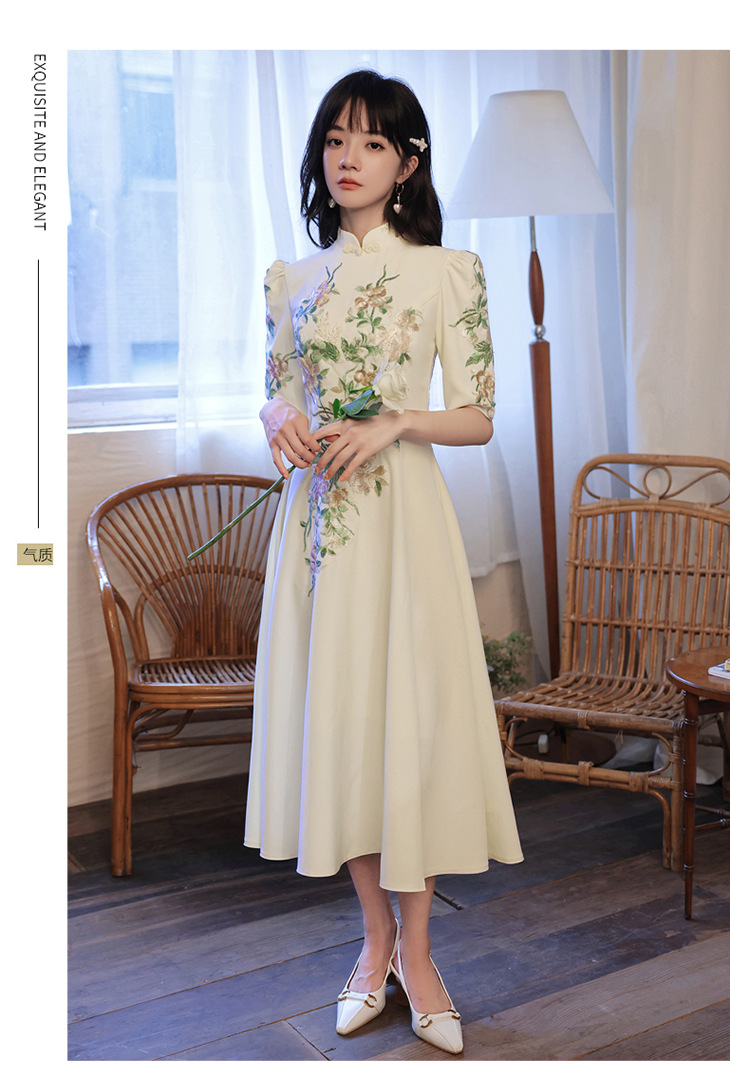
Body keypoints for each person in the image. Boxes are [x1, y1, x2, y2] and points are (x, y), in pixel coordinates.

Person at [244, 69, 523, 1055]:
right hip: (319, 530)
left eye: (371, 141)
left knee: (411, 724)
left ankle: (421, 951)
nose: (348, 157)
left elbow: (480, 416)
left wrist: (397, 420)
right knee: (348, 726)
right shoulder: (289, 279)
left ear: (407, 163)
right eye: (335, 139)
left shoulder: (450, 271)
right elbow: (279, 388)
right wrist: (276, 415)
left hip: (405, 525)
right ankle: (374, 944)